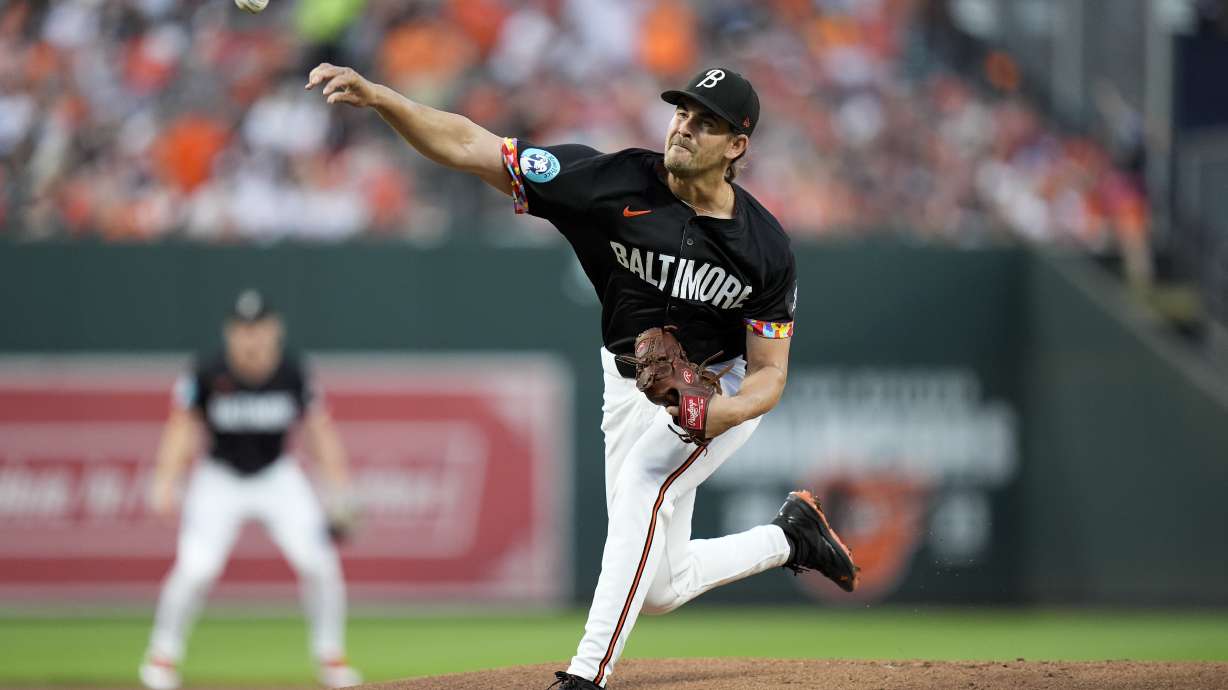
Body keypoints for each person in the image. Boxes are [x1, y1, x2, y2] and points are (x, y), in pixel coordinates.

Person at [305, 63, 858, 689]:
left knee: (646, 482)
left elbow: (770, 377)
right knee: (662, 587)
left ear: (737, 147)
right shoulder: (611, 181)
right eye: (682, 112)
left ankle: (587, 672)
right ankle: (791, 538)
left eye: (707, 124)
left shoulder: (764, 248)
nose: (685, 128)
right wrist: (383, 97)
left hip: (718, 385)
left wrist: (716, 413)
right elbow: (470, 146)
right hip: (627, 382)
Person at [138, 289, 362, 690]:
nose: (252, 338)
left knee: (320, 564)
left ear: (275, 330)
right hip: (219, 478)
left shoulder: (294, 372)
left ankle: (332, 657)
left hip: (277, 477)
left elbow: (319, 433)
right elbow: (181, 425)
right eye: (243, 330)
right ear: (230, 333)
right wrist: (165, 479)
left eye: (259, 329)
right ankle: (161, 657)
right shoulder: (207, 370)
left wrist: (339, 490)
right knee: (196, 569)